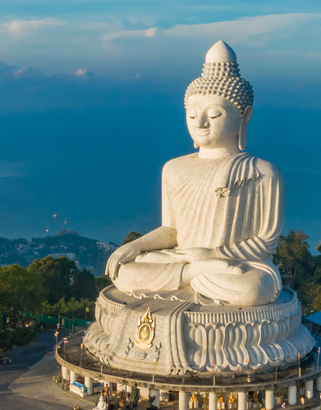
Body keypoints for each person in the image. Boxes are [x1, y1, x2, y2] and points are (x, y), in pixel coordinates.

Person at [105, 41, 283, 306]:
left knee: (254, 288)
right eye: (191, 114)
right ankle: (192, 275)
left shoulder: (262, 172)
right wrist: (137, 246)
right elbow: (171, 230)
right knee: (124, 271)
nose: (200, 123)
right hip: (185, 262)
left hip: (233, 264)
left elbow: (265, 244)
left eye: (214, 114)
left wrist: (211, 254)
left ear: (244, 117)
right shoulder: (174, 168)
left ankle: (195, 273)